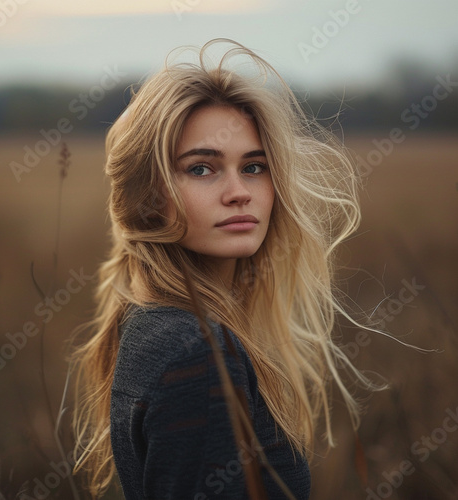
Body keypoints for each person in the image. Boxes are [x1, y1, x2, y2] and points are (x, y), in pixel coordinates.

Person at [70, 38, 378, 499]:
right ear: (147, 196)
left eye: (254, 167)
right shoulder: (196, 350)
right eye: (201, 169)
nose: (239, 192)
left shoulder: (154, 324)